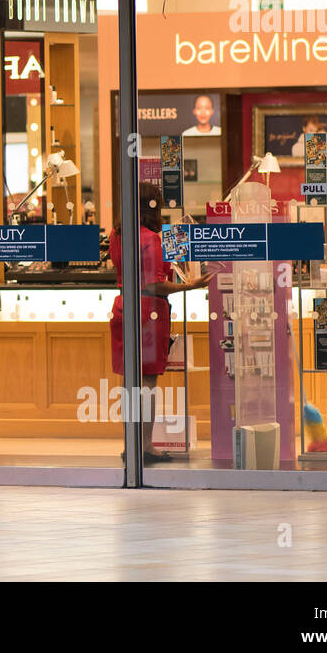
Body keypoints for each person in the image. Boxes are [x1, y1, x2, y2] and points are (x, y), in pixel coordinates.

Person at [108, 182, 211, 462]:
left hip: (124, 306)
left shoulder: (117, 234)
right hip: (147, 312)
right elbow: (154, 285)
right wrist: (191, 285)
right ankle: (145, 446)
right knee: (147, 382)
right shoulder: (150, 238)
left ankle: (132, 444)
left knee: (130, 382)